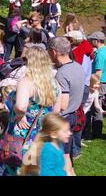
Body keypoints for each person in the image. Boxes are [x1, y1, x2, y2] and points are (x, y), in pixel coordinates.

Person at [0, 47, 61, 176]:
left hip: (20, 134)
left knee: (11, 165)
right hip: (41, 135)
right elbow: (56, 111)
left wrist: (20, 114)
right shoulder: (55, 84)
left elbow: (21, 106)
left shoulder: (27, 81)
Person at [48, 37, 85, 176]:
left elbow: (62, 105)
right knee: (66, 155)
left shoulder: (62, 74)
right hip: (74, 115)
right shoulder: (77, 66)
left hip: (63, 119)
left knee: (60, 159)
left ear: (53, 52)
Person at [87, 31, 106, 139]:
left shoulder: (100, 54)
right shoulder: (104, 50)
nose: (90, 42)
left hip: (100, 82)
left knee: (96, 107)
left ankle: (96, 132)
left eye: (92, 40)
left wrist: (93, 84)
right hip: (103, 82)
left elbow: (99, 72)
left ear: (97, 41)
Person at [82, 74, 106, 143]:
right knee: (80, 125)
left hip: (87, 110)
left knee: (87, 123)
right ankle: (79, 139)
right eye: (96, 84)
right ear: (90, 83)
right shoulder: (86, 91)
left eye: (98, 84)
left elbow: (96, 104)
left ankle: (85, 137)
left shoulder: (96, 92)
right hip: (81, 110)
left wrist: (101, 110)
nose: (97, 86)